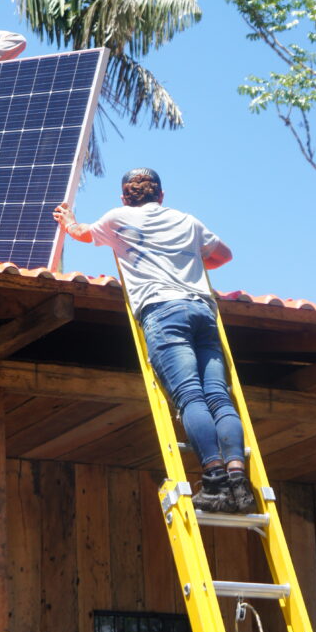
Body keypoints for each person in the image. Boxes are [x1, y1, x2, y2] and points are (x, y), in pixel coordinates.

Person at [53, 168, 256, 514]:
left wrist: (68, 221)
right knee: (219, 398)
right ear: (161, 195)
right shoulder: (186, 221)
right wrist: (184, 256)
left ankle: (216, 482)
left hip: (164, 312)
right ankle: (239, 481)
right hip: (202, 311)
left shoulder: (118, 218)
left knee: (190, 395)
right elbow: (223, 256)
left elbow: (83, 234)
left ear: (124, 198)